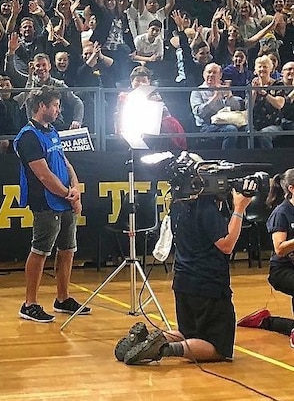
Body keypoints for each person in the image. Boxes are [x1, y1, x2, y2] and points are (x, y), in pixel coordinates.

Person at [120, 178, 258, 364]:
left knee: (188, 333)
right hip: (208, 286)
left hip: (183, 282)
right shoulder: (205, 209)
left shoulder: (177, 205)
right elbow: (226, 244)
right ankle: (164, 348)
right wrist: (239, 208)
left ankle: (148, 338)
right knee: (218, 349)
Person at [15, 86, 87, 323]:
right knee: (40, 251)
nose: (58, 109)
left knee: (68, 249)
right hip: (46, 203)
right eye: (54, 105)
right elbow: (43, 175)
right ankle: (30, 303)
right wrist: (69, 194)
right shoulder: (28, 137)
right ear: (42, 107)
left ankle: (63, 298)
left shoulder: (53, 131)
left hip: (65, 200)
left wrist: (75, 190)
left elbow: (66, 164)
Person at [236, 168, 294, 347]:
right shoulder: (281, 213)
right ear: (291, 188)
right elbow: (279, 249)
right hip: (282, 270)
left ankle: (266, 320)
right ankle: (279, 327)